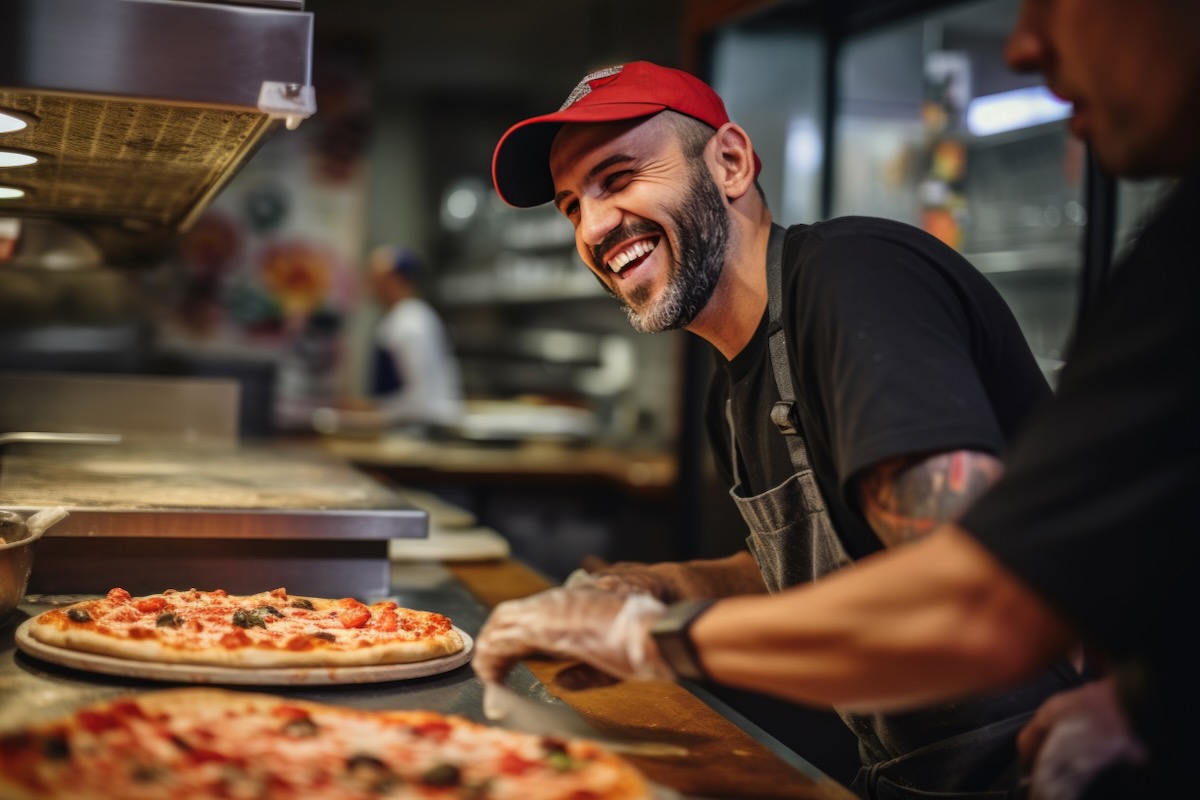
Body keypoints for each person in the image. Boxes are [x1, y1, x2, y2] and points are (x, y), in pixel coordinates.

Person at [474, 1, 1200, 797]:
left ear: (730, 162)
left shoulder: (853, 282)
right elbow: (831, 567)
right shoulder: (736, 379)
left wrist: (652, 636)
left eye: (618, 178)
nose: (595, 227)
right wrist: (666, 585)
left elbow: (960, 597)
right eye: (573, 205)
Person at [312, 245, 463, 434]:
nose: (370, 285)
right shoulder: (404, 317)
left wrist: (371, 415)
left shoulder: (410, 322)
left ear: (397, 279)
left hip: (419, 432)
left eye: (376, 278)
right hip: (412, 427)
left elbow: (421, 399)